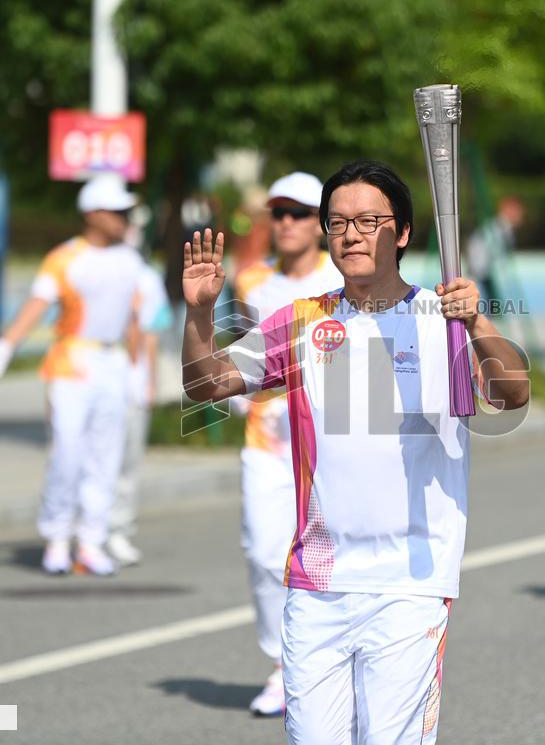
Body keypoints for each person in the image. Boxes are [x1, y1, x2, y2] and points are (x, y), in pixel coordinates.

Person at [181, 160, 529, 744]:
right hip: (318, 583)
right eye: (338, 222)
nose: (351, 234)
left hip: (410, 583)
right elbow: (205, 385)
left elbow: (512, 392)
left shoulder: (440, 321)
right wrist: (197, 314)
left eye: (370, 220)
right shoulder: (301, 322)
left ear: (405, 232)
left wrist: (477, 325)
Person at [0, 173, 142, 576]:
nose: (125, 217)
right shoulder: (65, 258)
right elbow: (38, 304)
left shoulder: (130, 259)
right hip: (72, 361)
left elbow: (134, 318)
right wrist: (6, 344)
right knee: (67, 452)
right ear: (93, 214)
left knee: (106, 457)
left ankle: (90, 540)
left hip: (114, 362)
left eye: (126, 210)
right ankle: (56, 536)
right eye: (117, 211)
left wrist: (139, 369)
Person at [231, 171, 343, 716]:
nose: (287, 223)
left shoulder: (343, 278)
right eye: (278, 213)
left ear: (320, 222)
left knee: (329, 556)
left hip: (331, 443)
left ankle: (325, 659)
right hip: (267, 439)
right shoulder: (252, 280)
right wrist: (238, 384)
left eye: (299, 213)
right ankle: (283, 665)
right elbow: (237, 343)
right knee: (261, 551)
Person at [107, 214, 174, 567]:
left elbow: (150, 334)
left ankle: (118, 531)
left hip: (131, 386)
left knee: (127, 465)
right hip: (93, 379)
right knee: (92, 461)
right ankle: (84, 534)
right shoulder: (88, 270)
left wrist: (149, 384)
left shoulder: (145, 278)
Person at [465, 196, 525, 301]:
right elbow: (479, 247)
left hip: (483, 267)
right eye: (517, 211)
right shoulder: (500, 227)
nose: (520, 216)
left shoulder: (502, 226)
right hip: (482, 266)